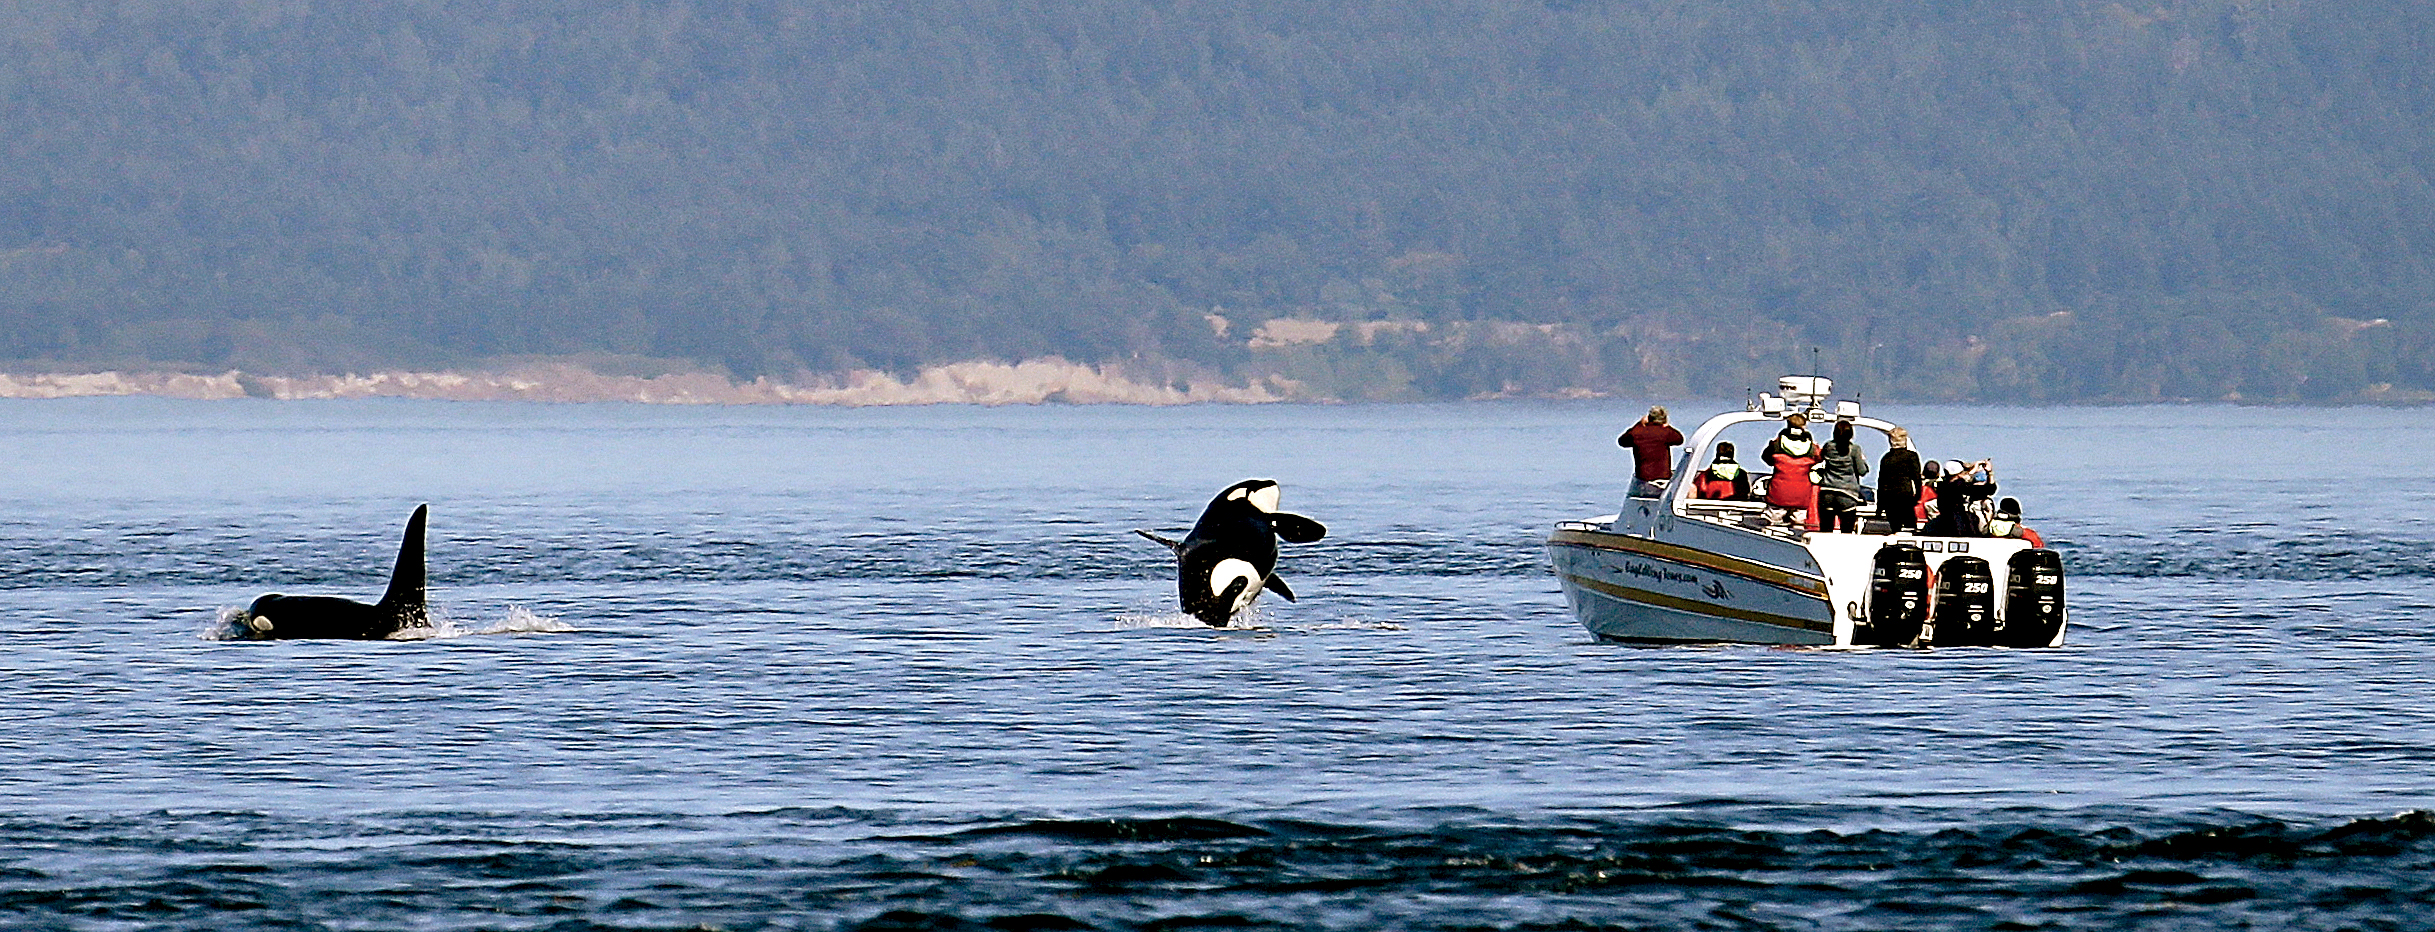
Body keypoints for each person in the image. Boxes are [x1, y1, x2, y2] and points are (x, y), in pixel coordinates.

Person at [1762, 414, 1820, 532]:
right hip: (1802, 494)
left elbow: (1766, 458)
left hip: (1778, 493)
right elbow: (1819, 459)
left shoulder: (1776, 444)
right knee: (1799, 525)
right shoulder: (1812, 448)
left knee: (1773, 524)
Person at [1813, 420, 1870, 533]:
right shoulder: (1854, 449)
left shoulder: (1828, 446)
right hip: (1847, 494)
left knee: (1825, 530)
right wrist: (1862, 460)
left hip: (1827, 492)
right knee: (1846, 532)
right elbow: (1862, 471)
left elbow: (1820, 458)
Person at [1617, 406, 1683, 499]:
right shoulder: (1666, 432)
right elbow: (1679, 439)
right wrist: (1667, 426)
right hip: (1663, 480)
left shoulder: (1637, 432)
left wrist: (1639, 424)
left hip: (1643, 481)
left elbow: (1622, 441)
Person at [1924, 458, 1996, 536]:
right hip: (1958, 527)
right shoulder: (1957, 487)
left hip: (1947, 526)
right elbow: (1989, 490)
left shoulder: (1942, 486)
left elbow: (1989, 490)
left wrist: (1971, 470)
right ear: (1959, 474)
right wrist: (1988, 473)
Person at [1877, 427, 1923, 534]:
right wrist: (1918, 496)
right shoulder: (1911, 456)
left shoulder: (1886, 458)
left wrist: (1880, 506)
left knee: (1894, 526)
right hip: (1905, 495)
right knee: (1910, 526)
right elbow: (1917, 478)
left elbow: (1881, 482)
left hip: (1889, 496)